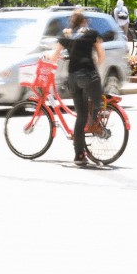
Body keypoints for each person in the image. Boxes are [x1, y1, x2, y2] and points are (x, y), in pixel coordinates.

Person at [49, 9, 105, 166]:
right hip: (88, 74)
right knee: (98, 96)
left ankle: (79, 155)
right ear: (85, 21)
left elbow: (54, 57)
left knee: (80, 115)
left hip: (72, 78)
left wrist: (49, 57)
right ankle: (94, 120)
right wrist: (95, 66)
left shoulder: (66, 34)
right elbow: (101, 56)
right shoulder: (92, 33)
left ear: (72, 22)